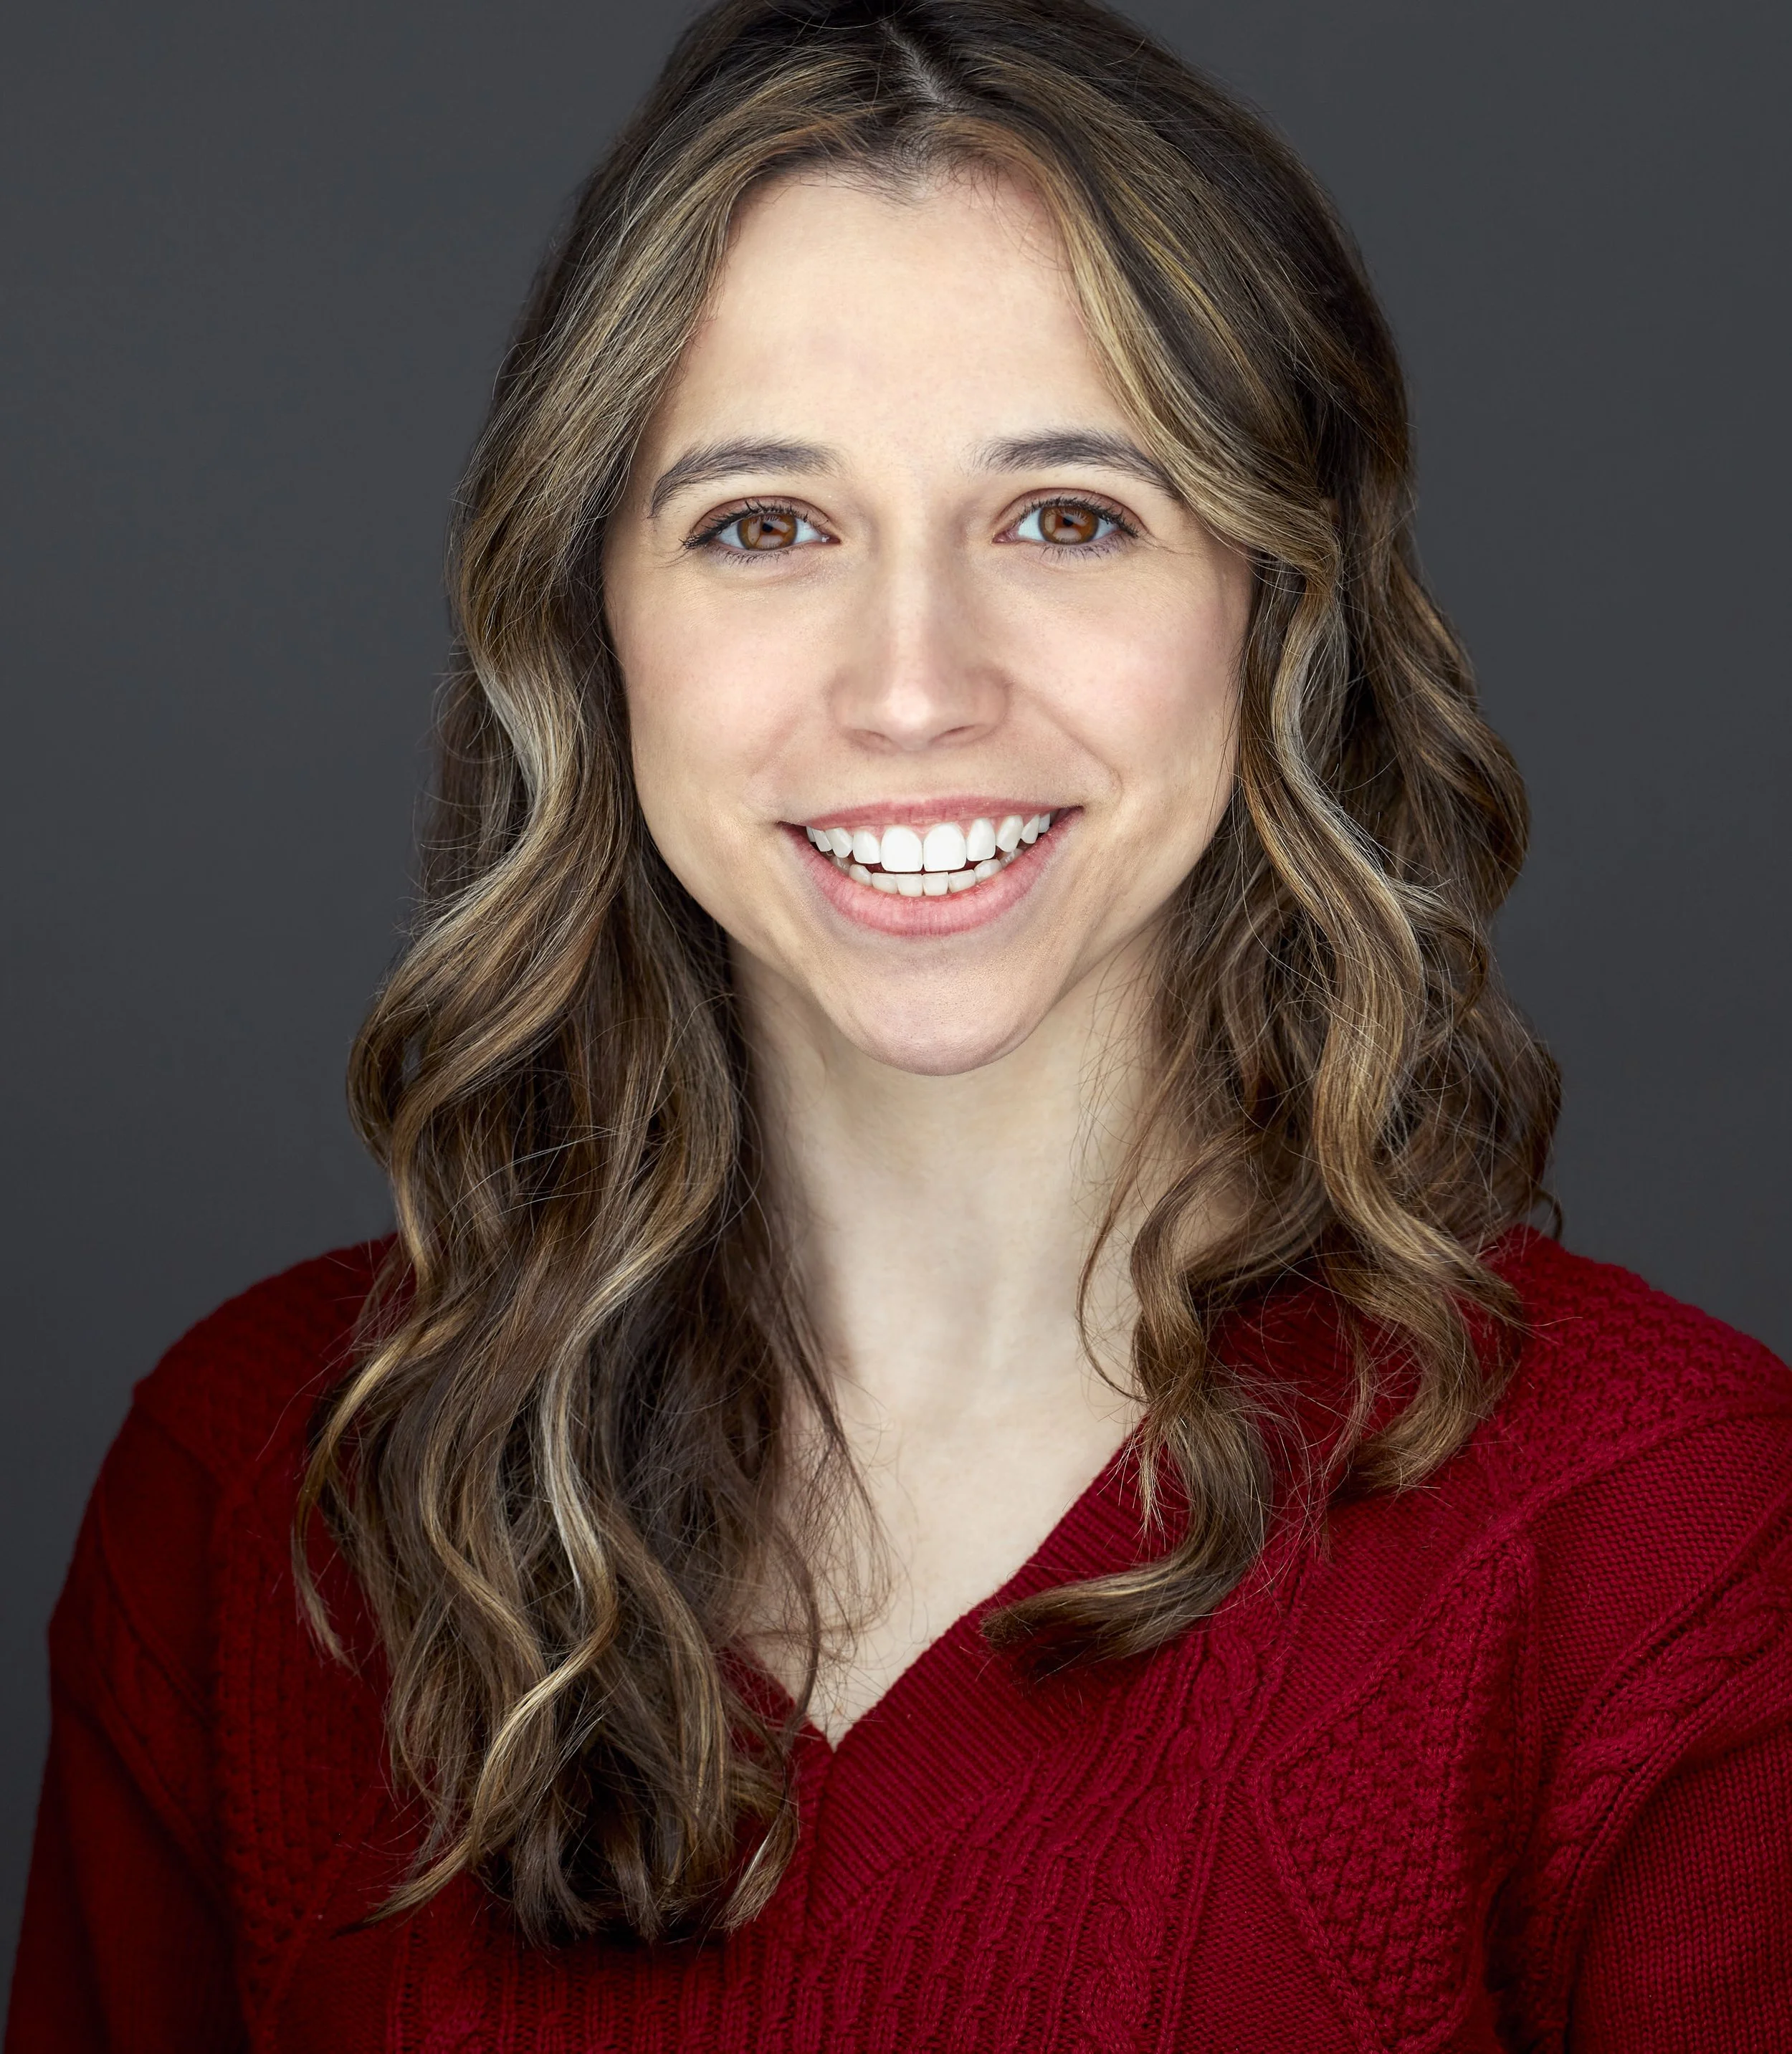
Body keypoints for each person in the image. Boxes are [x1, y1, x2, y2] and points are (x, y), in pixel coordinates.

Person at [10, 0, 1791, 2045]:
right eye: (764, 525)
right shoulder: (263, 1490)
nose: (915, 687)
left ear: (1275, 608)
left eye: (1069, 517)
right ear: (591, 626)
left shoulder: (1668, 1544)